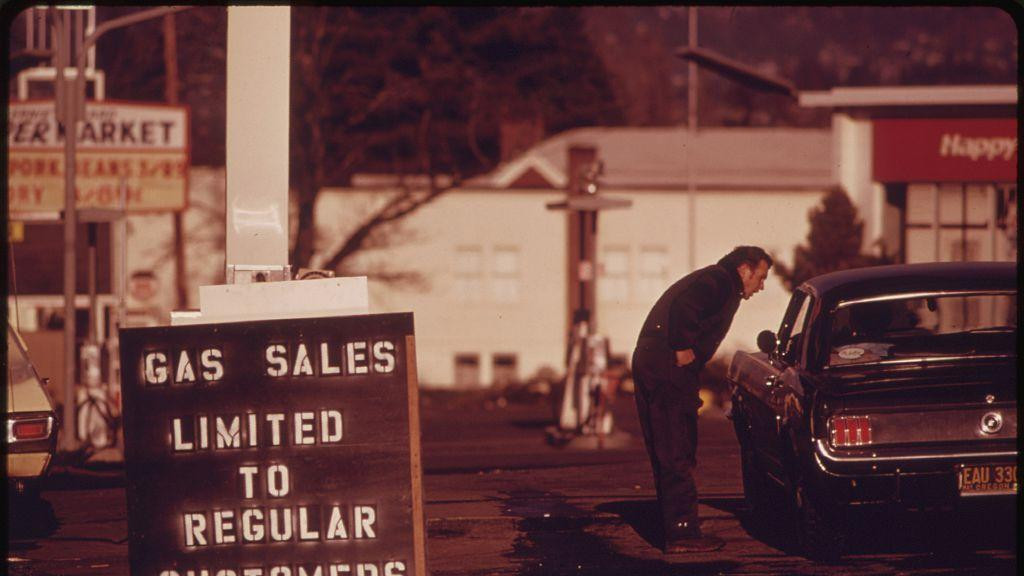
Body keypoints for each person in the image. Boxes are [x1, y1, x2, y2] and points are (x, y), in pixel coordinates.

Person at [632, 246, 772, 553]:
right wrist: (682, 347)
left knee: (671, 446)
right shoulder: (720, 281)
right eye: (760, 277)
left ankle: (675, 525)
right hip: (667, 366)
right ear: (744, 270)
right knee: (676, 446)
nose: (761, 286)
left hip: (657, 364)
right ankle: (682, 533)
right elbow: (686, 305)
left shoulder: (717, 280)